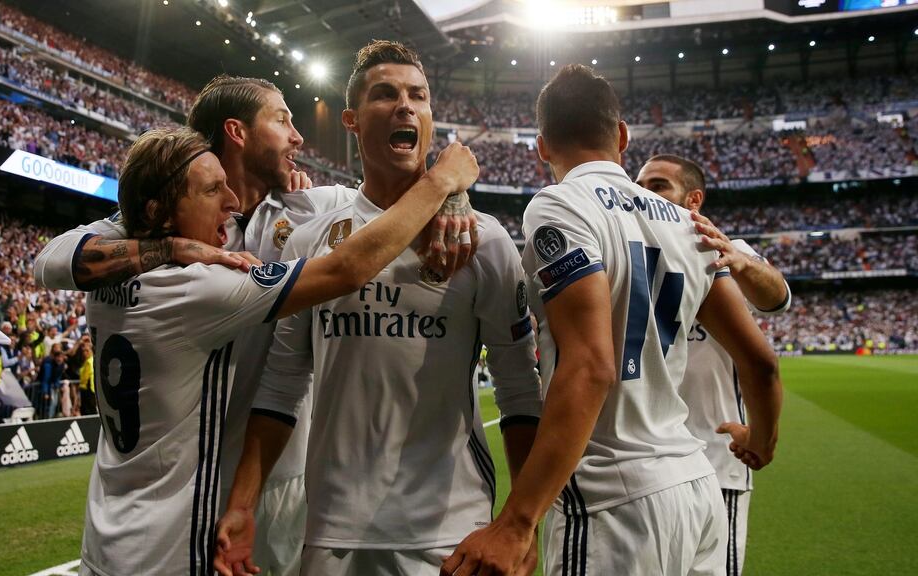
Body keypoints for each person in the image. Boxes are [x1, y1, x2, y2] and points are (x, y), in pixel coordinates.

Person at [34, 74, 479, 576]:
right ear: (238, 132)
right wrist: (174, 248)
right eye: (283, 120)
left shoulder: (309, 208)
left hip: (272, 475)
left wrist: (454, 197)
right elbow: (49, 261)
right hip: (187, 488)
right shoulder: (165, 240)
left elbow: (393, 202)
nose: (298, 137)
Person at [214, 40, 542, 576]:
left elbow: (518, 390)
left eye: (418, 96)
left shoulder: (484, 241)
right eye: (384, 94)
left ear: (431, 119)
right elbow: (281, 384)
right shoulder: (312, 240)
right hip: (330, 529)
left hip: (449, 531)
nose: (405, 106)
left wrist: (520, 525)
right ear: (351, 119)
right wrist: (244, 502)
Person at [442, 64, 784, 576]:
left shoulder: (560, 205)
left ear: (541, 146)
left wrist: (516, 522)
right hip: (697, 489)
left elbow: (591, 365)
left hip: (612, 500)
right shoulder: (686, 223)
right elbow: (760, 364)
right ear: (622, 136)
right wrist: (760, 441)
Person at [636, 154, 792, 575]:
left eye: (658, 185)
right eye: (640, 185)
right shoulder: (631, 259)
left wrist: (743, 264)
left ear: (694, 200)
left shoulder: (727, 252)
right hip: (644, 468)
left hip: (717, 465)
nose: (644, 193)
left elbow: (776, 297)